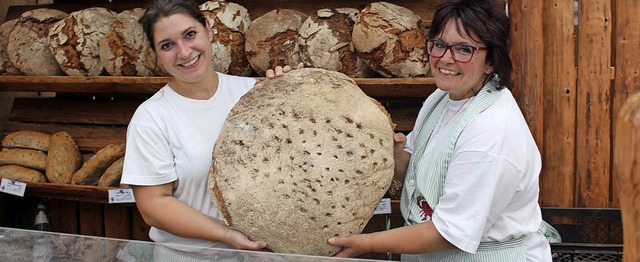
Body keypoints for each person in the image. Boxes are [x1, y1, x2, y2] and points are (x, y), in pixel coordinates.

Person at [328, 0, 553, 261]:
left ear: (491, 61)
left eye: (464, 49)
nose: (446, 58)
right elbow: (424, 174)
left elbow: (449, 231)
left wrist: (366, 243)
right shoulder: (442, 98)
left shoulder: (492, 130)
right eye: (439, 44)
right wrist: (397, 155)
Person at [120, 0, 299, 260]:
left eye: (190, 34)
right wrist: (228, 235)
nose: (184, 52)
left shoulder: (253, 93)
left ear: (208, 29)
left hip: (259, 256)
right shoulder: (152, 117)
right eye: (167, 45)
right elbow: (154, 206)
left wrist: (296, 92)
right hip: (186, 257)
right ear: (155, 54)